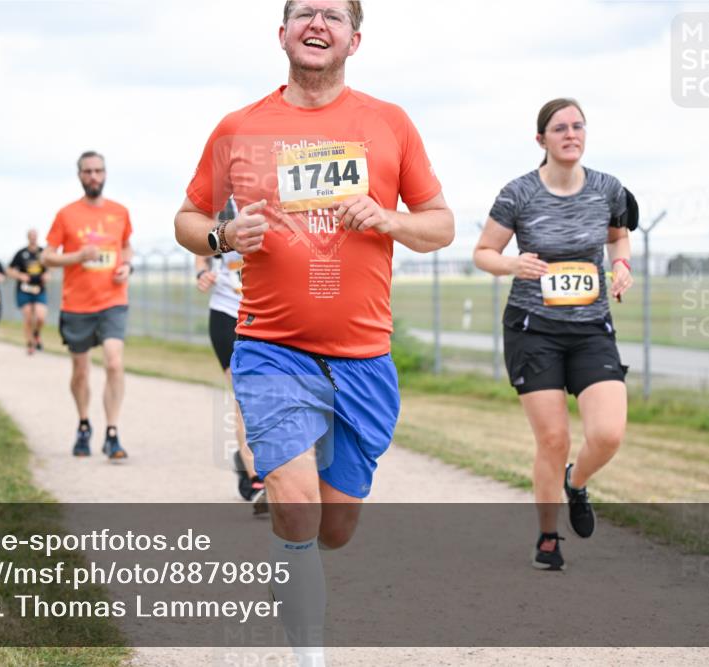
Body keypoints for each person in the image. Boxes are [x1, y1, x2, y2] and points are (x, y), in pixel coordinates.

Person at [173, 2, 454, 662]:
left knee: (335, 529)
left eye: (333, 14)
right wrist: (219, 236)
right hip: (272, 347)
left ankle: (295, 552)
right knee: (296, 506)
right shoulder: (238, 128)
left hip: (363, 357)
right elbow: (189, 216)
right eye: (304, 12)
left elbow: (440, 224)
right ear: (282, 34)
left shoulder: (389, 124)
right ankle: (309, 654)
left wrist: (389, 219)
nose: (317, 22)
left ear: (356, 39)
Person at [473, 97, 634, 571]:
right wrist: (512, 263)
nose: (571, 134)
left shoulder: (608, 188)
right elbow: (483, 252)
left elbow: (618, 235)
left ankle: (577, 483)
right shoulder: (518, 193)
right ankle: (548, 537)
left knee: (607, 433)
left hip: (590, 330)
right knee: (553, 438)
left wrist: (621, 264)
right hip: (532, 330)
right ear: (541, 139)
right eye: (560, 128)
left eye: (578, 126)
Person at [44, 151, 133, 460]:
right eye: (87, 171)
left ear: (106, 173)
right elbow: (47, 256)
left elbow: (125, 246)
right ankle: (84, 425)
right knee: (80, 371)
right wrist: (77, 257)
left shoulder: (120, 212)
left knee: (113, 362)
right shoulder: (66, 214)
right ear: (79, 175)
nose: (93, 176)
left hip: (113, 300)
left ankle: (112, 433)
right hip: (77, 304)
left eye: (98, 170)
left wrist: (127, 267)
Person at [195, 198, 266, 514]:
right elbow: (201, 247)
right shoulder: (221, 205)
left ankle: (247, 456)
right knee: (243, 395)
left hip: (266, 314)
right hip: (226, 312)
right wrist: (203, 273)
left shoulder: (272, 197)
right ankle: (256, 480)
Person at [8, 229, 50, 355]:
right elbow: (9, 270)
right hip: (24, 289)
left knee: (40, 317)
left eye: (35, 236)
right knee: (28, 317)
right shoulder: (21, 253)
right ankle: (30, 343)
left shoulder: (43, 252)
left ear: (37, 237)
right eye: (31, 236)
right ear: (28, 237)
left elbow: (50, 267)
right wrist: (20, 276)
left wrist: (47, 275)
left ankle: (36, 334)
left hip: (39, 289)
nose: (33, 238)